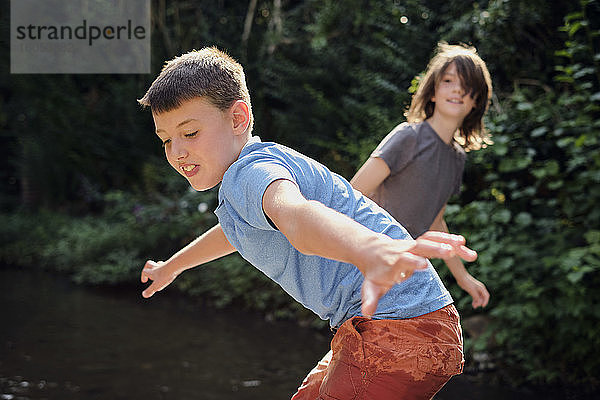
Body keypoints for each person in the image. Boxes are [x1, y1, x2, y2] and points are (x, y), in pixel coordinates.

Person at [138, 47, 478, 399]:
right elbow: (233, 233)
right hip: (403, 322)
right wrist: (171, 267)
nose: (177, 151)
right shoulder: (252, 182)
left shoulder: (251, 173)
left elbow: (297, 217)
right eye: (166, 140)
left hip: (397, 324)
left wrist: (370, 249)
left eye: (189, 133)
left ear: (238, 118)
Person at [351, 43, 492, 309]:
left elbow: (435, 220)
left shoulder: (457, 158)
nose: (457, 90)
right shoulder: (409, 136)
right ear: (433, 92)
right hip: (366, 262)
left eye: (466, 85)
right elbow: (353, 193)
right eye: (448, 81)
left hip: (404, 271)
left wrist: (463, 277)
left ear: (475, 101)